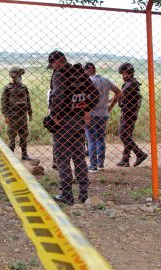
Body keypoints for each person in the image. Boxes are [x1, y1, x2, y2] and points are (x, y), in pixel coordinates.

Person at [48, 51, 98, 205]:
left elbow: (58, 95)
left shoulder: (59, 75)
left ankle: (67, 195)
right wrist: (86, 109)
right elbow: (95, 94)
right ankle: (83, 195)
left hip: (63, 122)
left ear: (57, 62)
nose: (53, 68)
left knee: (63, 159)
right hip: (78, 121)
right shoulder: (80, 73)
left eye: (52, 65)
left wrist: (54, 115)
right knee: (79, 158)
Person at [84, 62, 121, 172]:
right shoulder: (105, 80)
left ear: (87, 70)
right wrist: (110, 106)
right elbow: (119, 92)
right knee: (100, 138)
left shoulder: (88, 82)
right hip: (103, 113)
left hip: (90, 113)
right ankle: (100, 163)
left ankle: (93, 165)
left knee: (91, 139)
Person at [116, 63, 148, 167]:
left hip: (129, 113)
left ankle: (140, 154)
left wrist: (109, 102)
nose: (124, 76)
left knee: (123, 134)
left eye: (125, 74)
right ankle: (125, 159)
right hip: (130, 112)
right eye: (123, 74)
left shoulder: (131, 84)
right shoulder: (133, 83)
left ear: (130, 73)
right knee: (127, 135)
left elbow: (121, 94)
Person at [2, 66, 33, 161]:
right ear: (13, 75)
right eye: (18, 75)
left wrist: (30, 113)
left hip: (22, 115)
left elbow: (28, 100)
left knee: (24, 135)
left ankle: (24, 154)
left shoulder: (24, 87)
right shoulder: (7, 88)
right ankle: (11, 156)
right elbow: (4, 103)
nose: (20, 77)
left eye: (20, 75)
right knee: (12, 136)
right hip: (12, 116)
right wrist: (6, 116)